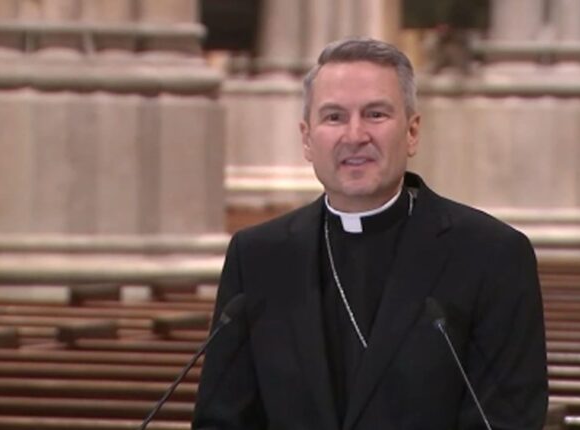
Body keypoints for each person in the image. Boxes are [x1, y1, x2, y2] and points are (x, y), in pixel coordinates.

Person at [193, 37, 548, 430]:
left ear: (412, 132)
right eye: (334, 117)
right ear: (307, 138)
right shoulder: (258, 256)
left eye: (376, 114)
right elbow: (222, 419)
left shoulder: (492, 255)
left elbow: (505, 420)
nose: (354, 135)